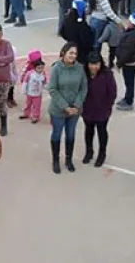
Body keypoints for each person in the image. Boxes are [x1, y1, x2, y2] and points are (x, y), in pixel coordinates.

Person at [48, 43, 88, 174]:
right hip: (58, 110)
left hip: (75, 110)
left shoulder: (80, 68)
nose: (73, 56)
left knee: (71, 134)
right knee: (57, 134)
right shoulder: (56, 69)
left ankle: (68, 159)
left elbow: (83, 88)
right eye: (70, 53)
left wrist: (76, 105)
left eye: (75, 54)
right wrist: (65, 106)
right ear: (64, 53)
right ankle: (55, 160)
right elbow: (53, 89)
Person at [80, 52, 117, 167]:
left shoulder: (107, 74)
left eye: (96, 64)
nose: (94, 67)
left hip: (102, 110)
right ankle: (89, 151)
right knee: (88, 131)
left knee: (102, 131)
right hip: (87, 109)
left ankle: (102, 153)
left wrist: (107, 106)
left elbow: (112, 92)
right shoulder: (83, 74)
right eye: (91, 64)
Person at [114, 11, 135, 111]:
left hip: (129, 64)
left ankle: (129, 101)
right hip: (133, 62)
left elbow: (126, 53)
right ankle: (127, 98)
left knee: (129, 82)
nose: (127, 23)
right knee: (129, 82)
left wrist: (119, 64)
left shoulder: (132, 37)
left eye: (129, 21)